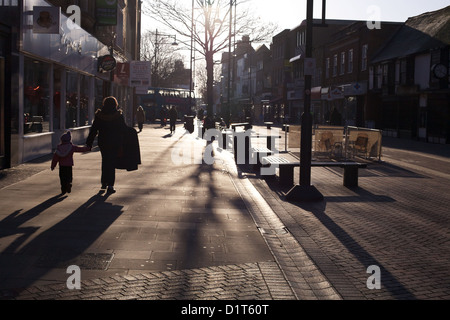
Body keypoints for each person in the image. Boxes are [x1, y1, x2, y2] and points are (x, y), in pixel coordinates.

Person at [86, 96, 127, 193]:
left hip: (103, 142)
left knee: (105, 161)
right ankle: (110, 185)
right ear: (115, 104)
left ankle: (104, 182)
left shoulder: (99, 115)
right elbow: (123, 129)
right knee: (111, 163)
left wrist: (89, 142)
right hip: (114, 142)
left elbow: (94, 129)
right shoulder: (118, 116)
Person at [51, 131, 91, 195]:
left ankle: (63, 189)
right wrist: (88, 148)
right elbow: (80, 149)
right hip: (69, 165)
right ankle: (69, 184)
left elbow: (55, 159)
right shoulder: (71, 147)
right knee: (69, 176)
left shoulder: (59, 148)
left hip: (62, 166)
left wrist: (53, 166)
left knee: (62, 178)